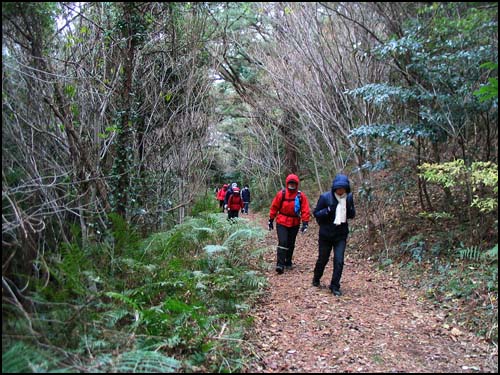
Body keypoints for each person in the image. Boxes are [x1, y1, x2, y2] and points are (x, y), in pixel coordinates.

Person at [312, 174, 356, 296]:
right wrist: (328, 210)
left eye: (343, 188)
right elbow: (316, 213)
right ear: (334, 188)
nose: (340, 191)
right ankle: (316, 278)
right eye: (338, 188)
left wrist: (349, 208)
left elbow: (352, 215)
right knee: (323, 259)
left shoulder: (348, 198)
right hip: (326, 235)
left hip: (340, 235)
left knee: (339, 261)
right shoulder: (325, 197)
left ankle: (335, 285)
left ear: (346, 189)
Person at [268, 174, 310, 274]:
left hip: (294, 222)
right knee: (283, 242)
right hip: (281, 221)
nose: (292, 185)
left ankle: (288, 261)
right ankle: (280, 264)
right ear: (287, 184)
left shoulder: (300, 196)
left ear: (297, 184)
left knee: (291, 243)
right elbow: (274, 207)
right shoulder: (281, 194)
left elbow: (305, 209)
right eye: (290, 183)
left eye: (294, 184)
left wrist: (305, 223)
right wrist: (271, 220)